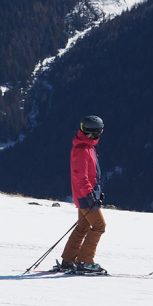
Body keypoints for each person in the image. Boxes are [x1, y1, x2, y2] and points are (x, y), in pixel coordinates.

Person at [59, 115, 107, 275]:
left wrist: (97, 193)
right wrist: (90, 196)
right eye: (100, 131)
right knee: (99, 225)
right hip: (85, 197)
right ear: (93, 132)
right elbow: (81, 177)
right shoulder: (82, 150)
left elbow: (92, 176)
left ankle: (68, 260)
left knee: (83, 227)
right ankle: (85, 261)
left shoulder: (88, 146)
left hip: (87, 195)